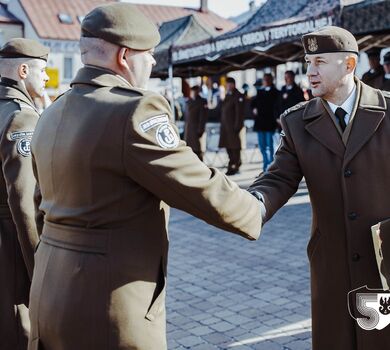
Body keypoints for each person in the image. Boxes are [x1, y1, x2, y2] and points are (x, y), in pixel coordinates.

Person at [28, 4, 263, 350]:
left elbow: (39, 207)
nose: (153, 63)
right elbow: (196, 185)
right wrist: (255, 208)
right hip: (107, 303)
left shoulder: (51, 113)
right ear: (125, 56)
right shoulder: (133, 109)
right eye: (149, 54)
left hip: (49, 292)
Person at [248, 26, 390, 350]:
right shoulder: (296, 123)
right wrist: (252, 203)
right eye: (308, 62)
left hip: (383, 260)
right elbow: (279, 177)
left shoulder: (388, 110)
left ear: (349, 65)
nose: (309, 72)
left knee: (380, 338)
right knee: (336, 338)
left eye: (320, 62)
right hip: (332, 260)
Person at [0, 38, 49, 350]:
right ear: (23, 70)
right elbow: (24, 203)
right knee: (19, 331)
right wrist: (39, 271)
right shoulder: (21, 117)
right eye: (42, 71)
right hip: (13, 249)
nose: (46, 78)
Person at [251, 73, 279, 172]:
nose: (266, 81)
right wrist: (254, 109)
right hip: (260, 124)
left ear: (271, 80)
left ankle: (270, 168)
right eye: (264, 79)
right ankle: (265, 166)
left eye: (268, 79)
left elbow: (277, 107)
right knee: (262, 147)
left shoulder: (276, 92)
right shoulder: (260, 91)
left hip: (270, 123)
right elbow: (253, 103)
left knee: (270, 147)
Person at [219, 77, 245, 175]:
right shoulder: (227, 95)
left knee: (235, 148)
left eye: (229, 84)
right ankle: (231, 164)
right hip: (226, 127)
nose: (228, 86)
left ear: (233, 84)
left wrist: (237, 127)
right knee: (228, 147)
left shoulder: (238, 95)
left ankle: (236, 166)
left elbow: (239, 113)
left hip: (234, 128)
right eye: (227, 85)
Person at [184, 85, 208, 161]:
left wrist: (200, 130)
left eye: (195, 91)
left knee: (198, 150)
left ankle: (201, 167)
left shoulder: (202, 101)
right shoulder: (188, 102)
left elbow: (203, 117)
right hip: (189, 130)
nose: (193, 93)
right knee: (190, 150)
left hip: (197, 130)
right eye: (192, 91)